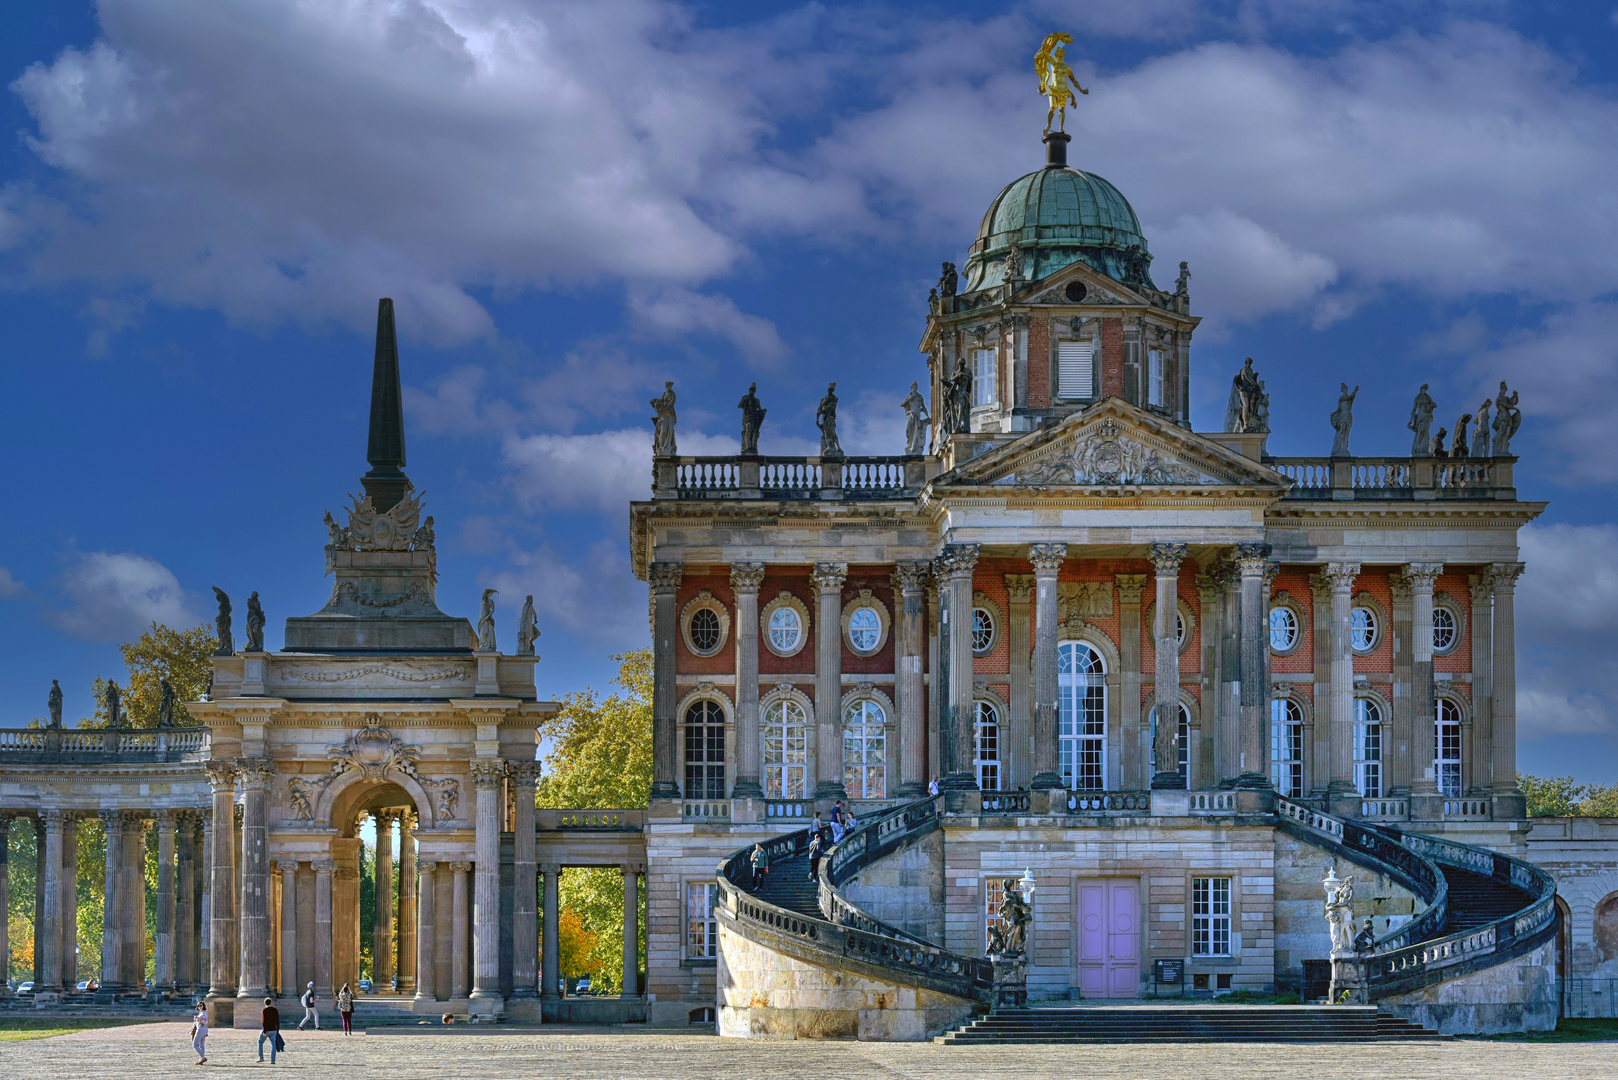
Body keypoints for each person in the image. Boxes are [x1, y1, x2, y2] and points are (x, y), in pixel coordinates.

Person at [258, 996, 281, 1063]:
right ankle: (273, 1060)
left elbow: (264, 1021)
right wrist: (277, 1030)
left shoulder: (264, 1010)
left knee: (260, 1042)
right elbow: (277, 1020)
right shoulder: (275, 1010)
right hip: (273, 1029)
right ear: (271, 1003)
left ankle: (261, 1057)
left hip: (267, 1029)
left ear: (265, 1003)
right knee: (273, 1045)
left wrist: (264, 1031)